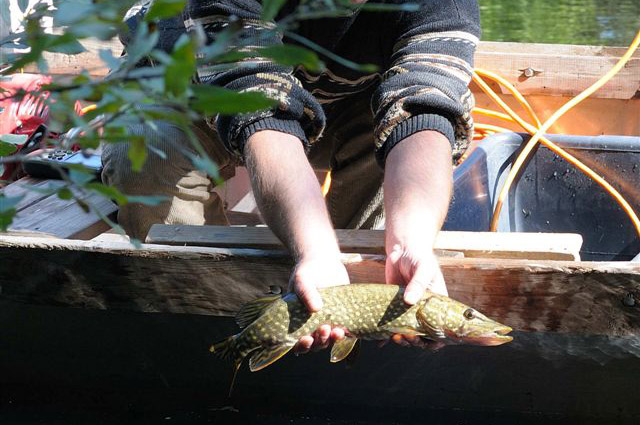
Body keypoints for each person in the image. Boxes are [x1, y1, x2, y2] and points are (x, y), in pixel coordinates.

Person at [102, 0, 480, 353]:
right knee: (146, 152)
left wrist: (411, 243)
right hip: (183, 81)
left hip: (347, 103)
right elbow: (260, 110)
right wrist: (312, 249)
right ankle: (201, 329)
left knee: (400, 147)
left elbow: (422, 113)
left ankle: (346, 307)